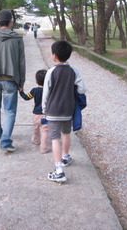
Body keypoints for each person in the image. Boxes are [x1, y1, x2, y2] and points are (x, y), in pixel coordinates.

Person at [42, 40, 87, 182]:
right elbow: (82, 89)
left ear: (54, 55)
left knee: (55, 138)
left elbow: (46, 92)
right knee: (66, 133)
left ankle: (59, 170)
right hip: (68, 110)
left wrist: (44, 109)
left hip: (53, 110)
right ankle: (66, 157)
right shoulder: (74, 71)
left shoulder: (51, 72)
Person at [0, 9, 26, 152]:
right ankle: (5, 141)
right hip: (11, 79)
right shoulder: (17, 39)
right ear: (11, 21)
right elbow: (21, 62)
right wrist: (21, 83)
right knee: (10, 111)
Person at [19, 69, 49, 154]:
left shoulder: (34, 90)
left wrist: (21, 92)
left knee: (36, 128)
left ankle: (36, 140)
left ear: (36, 81)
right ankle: (43, 148)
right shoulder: (50, 90)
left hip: (36, 114)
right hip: (46, 115)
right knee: (45, 131)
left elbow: (26, 97)